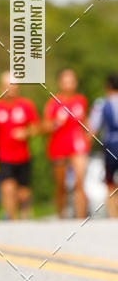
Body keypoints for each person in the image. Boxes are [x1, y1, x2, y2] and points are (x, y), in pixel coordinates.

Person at [0, 72, 39, 219]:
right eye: (7, 85)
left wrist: (25, 132)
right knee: (8, 188)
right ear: (0, 87)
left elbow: (35, 128)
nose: (10, 89)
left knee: (23, 193)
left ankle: (25, 216)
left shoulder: (26, 105)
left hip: (23, 156)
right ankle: (11, 220)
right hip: (3, 156)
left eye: (13, 85)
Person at [42, 69, 90, 218]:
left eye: (71, 81)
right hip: (58, 147)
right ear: (60, 83)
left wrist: (87, 137)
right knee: (61, 186)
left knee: (79, 183)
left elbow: (86, 123)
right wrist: (55, 123)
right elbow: (44, 127)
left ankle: (81, 218)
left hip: (77, 146)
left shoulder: (81, 100)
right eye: (65, 81)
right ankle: (61, 216)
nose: (69, 84)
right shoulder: (53, 103)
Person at [98, 73, 118, 218]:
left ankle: (113, 215)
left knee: (110, 181)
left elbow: (94, 126)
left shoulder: (102, 103)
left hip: (111, 144)